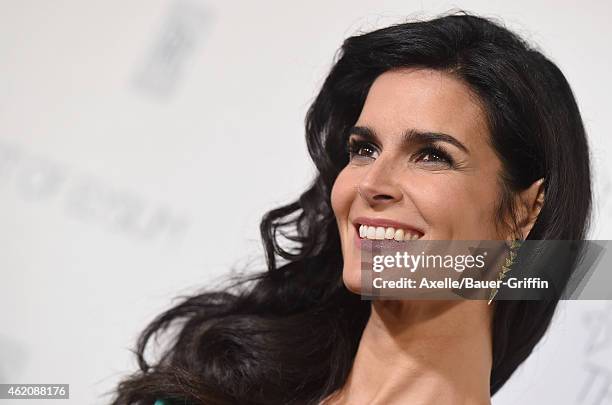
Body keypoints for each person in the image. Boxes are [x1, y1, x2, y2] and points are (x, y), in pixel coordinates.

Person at [111, 11, 592, 405]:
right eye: (364, 149)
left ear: (525, 211)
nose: (373, 184)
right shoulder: (217, 388)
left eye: (431, 155)